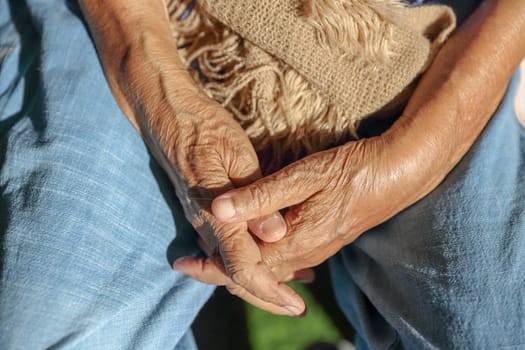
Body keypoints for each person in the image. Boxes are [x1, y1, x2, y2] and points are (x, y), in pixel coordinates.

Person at [0, 0, 523, 348]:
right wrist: (155, 85)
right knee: (45, 325)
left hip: (429, 44)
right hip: (145, 20)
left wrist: (424, 149)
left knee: (496, 326)